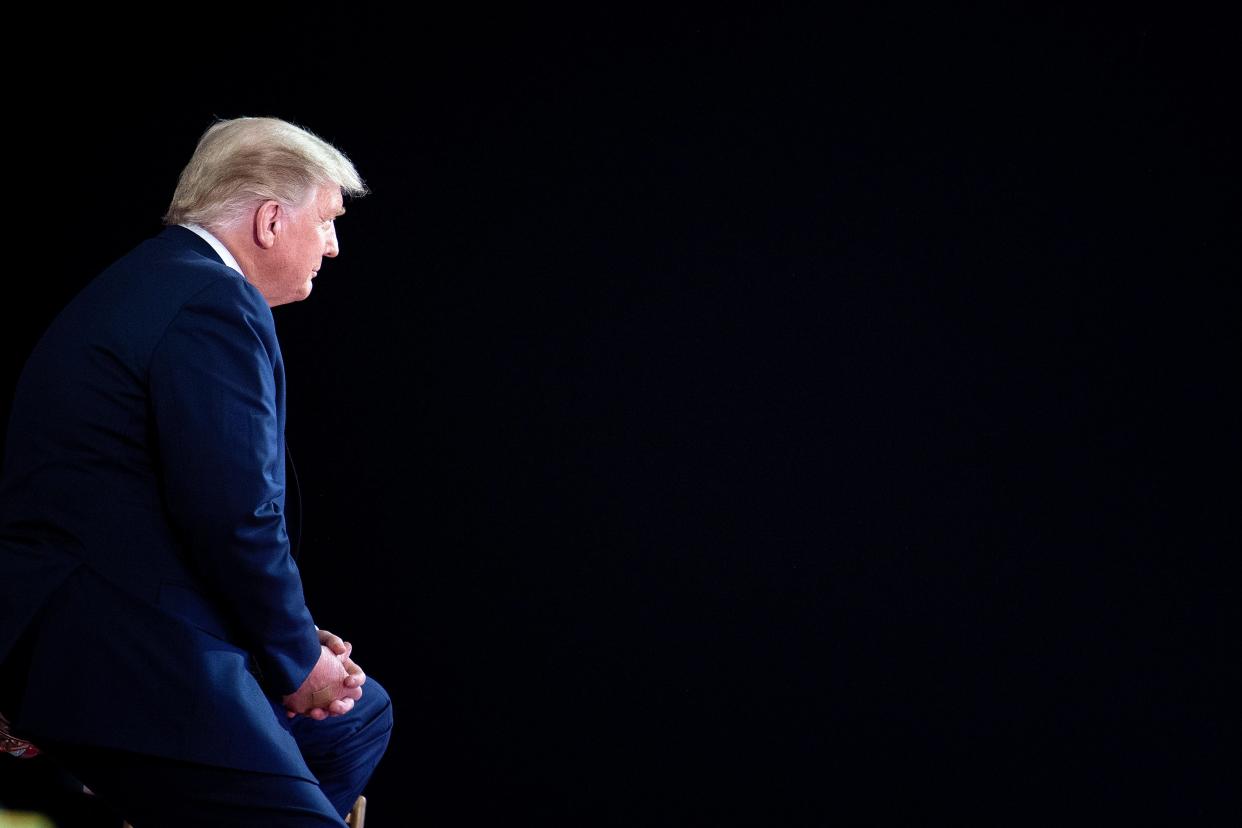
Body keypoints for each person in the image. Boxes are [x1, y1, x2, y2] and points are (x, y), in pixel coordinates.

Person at [0, 117, 392, 826]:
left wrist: (294, 639)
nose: (334, 247)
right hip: (115, 663)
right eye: (329, 221)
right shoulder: (213, 299)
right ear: (272, 220)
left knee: (355, 719)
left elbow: (175, 514)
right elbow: (234, 514)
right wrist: (297, 657)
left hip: (106, 627)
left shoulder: (156, 280)